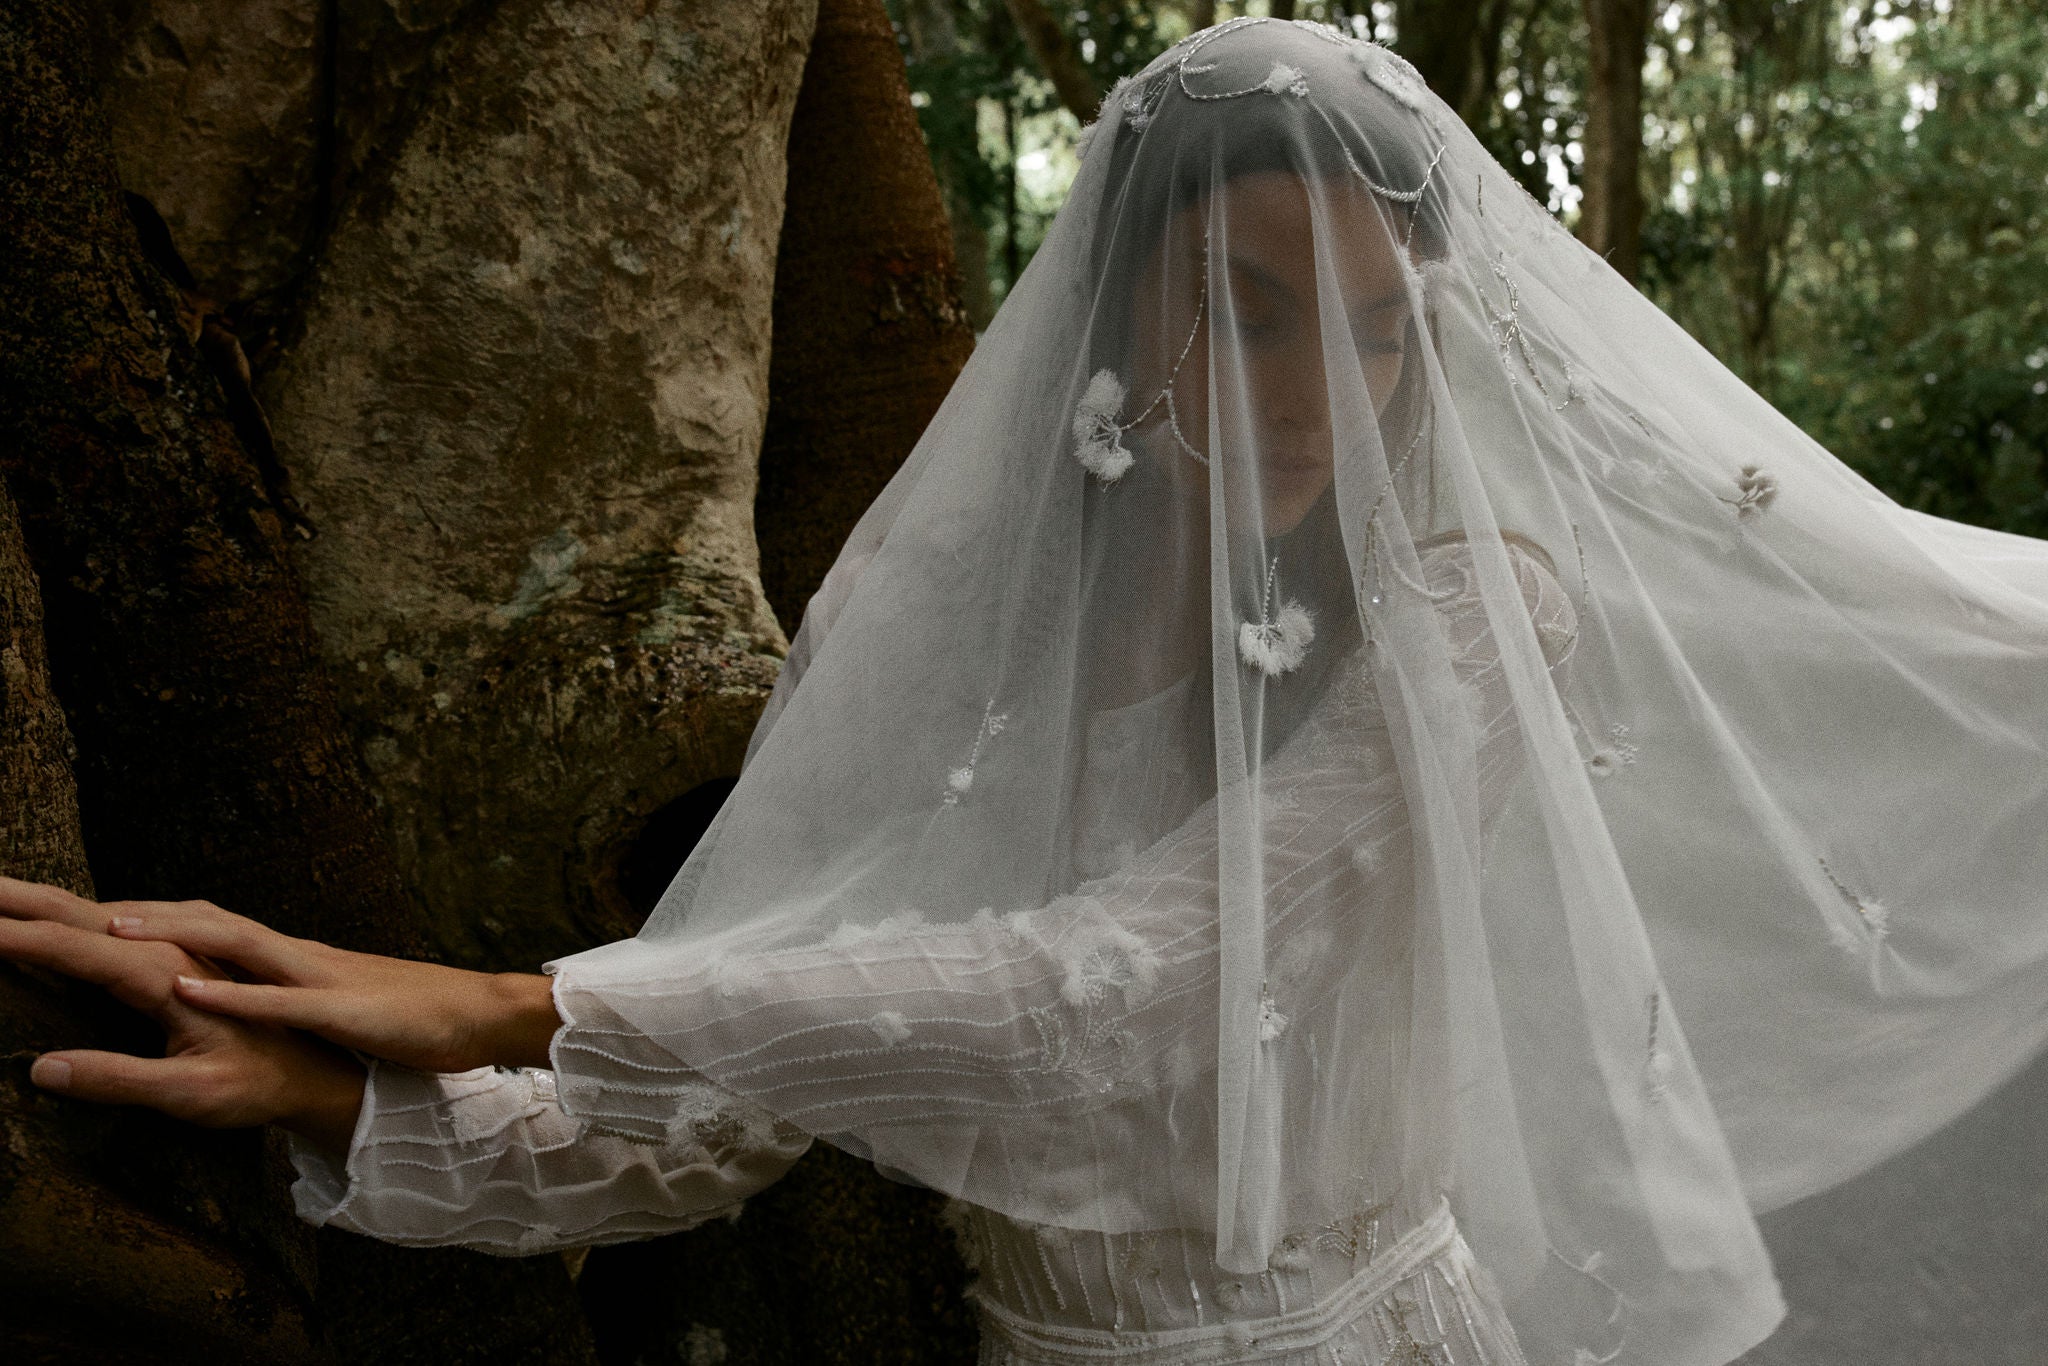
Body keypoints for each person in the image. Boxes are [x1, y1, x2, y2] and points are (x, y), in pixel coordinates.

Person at [4, 18, 2046, 1364]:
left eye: (1374, 335)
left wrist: (514, 994)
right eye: (1247, 314)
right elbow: (740, 1102)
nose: (1312, 394)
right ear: (1116, 291)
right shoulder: (951, 632)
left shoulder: (1466, 605)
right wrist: (355, 1097)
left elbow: (1131, 979)